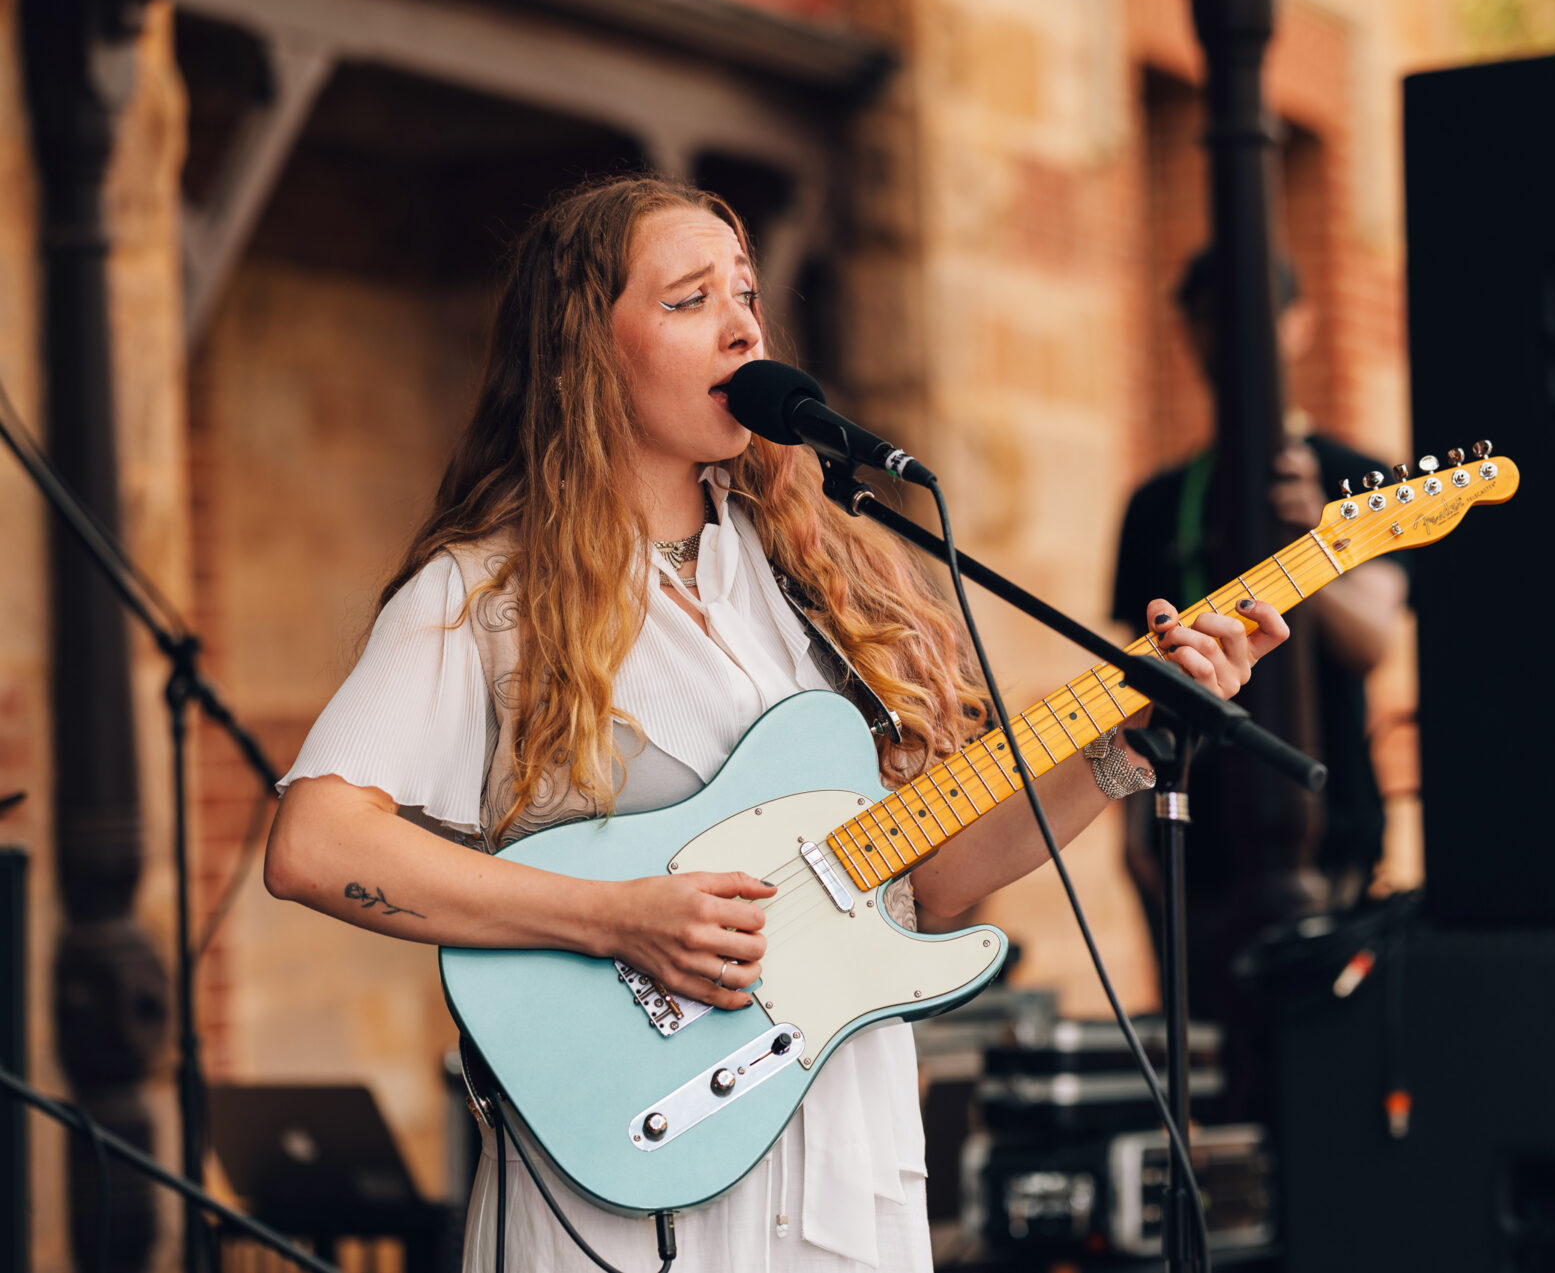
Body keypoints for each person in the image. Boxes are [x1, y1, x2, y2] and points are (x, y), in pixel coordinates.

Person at [262, 174, 1289, 1273]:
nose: (744, 326)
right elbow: (317, 845)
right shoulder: (485, 594)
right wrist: (614, 918)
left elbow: (931, 883)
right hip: (626, 1196)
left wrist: (1122, 745)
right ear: (582, 350)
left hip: (843, 1172)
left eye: (746, 294)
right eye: (689, 299)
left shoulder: (820, 583)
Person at [1111, 250, 1410, 1093]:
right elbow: (1129, 673)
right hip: (1190, 829)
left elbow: (1373, 639)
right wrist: (1132, 835)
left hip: (1328, 827)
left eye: (1252, 319)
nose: (1229, 342)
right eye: (1210, 322)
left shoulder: (1349, 472)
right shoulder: (1157, 501)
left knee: (1329, 1074)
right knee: (1213, 1076)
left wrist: (1313, 542)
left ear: (1299, 325)